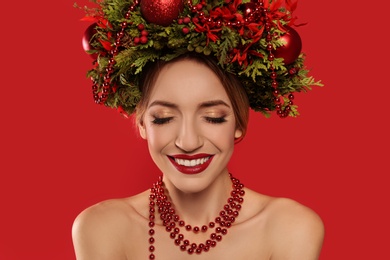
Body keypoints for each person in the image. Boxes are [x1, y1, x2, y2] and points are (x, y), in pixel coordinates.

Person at [73, 0, 325, 259]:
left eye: (213, 118)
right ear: (141, 124)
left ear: (238, 123)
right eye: (163, 118)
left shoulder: (291, 227)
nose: (188, 141)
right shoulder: (101, 228)